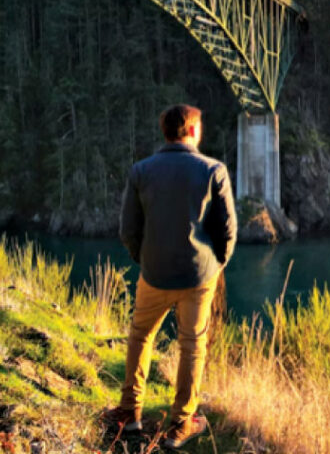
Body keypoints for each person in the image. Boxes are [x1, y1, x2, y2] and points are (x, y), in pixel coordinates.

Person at [103, 104, 237, 449]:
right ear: (192, 131)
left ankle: (129, 414)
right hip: (198, 277)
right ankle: (180, 425)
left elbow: (128, 229)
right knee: (192, 346)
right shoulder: (213, 170)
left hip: (154, 274)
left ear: (166, 132)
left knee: (140, 337)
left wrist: (144, 259)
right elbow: (228, 231)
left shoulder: (141, 171)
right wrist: (215, 264)